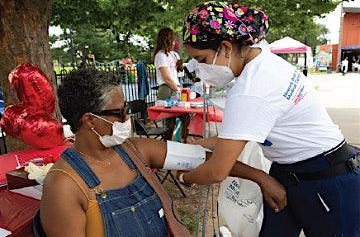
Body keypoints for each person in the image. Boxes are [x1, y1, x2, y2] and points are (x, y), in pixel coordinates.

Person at [178, 1, 360, 237]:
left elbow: (216, 170)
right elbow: (233, 137)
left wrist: (185, 176)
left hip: (325, 178)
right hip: (291, 172)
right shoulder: (263, 61)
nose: (200, 69)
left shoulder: (249, 90)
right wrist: (198, 145)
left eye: (202, 60)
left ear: (225, 47)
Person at [40, 68, 283, 237]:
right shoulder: (63, 185)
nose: (128, 118)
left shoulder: (135, 151)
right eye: (120, 112)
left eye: (128, 109)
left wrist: (260, 177)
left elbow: (201, 158)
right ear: (89, 121)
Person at [153, 28, 190, 142]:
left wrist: (180, 65)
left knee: (185, 116)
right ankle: (167, 144)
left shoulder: (174, 55)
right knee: (170, 120)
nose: (175, 42)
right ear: (167, 39)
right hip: (166, 89)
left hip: (175, 87)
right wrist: (179, 90)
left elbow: (179, 74)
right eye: (173, 39)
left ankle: (184, 141)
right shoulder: (160, 56)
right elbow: (167, 78)